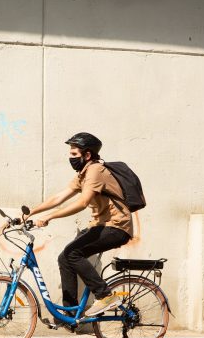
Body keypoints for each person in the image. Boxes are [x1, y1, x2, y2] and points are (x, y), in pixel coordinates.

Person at [26, 132, 133, 318]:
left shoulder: (95, 171)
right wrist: (30, 213)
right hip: (100, 225)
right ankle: (70, 317)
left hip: (116, 227)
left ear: (87, 155)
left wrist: (49, 217)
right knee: (64, 258)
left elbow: (82, 203)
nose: (70, 158)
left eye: (74, 154)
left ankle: (105, 295)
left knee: (73, 253)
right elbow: (59, 197)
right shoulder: (83, 174)